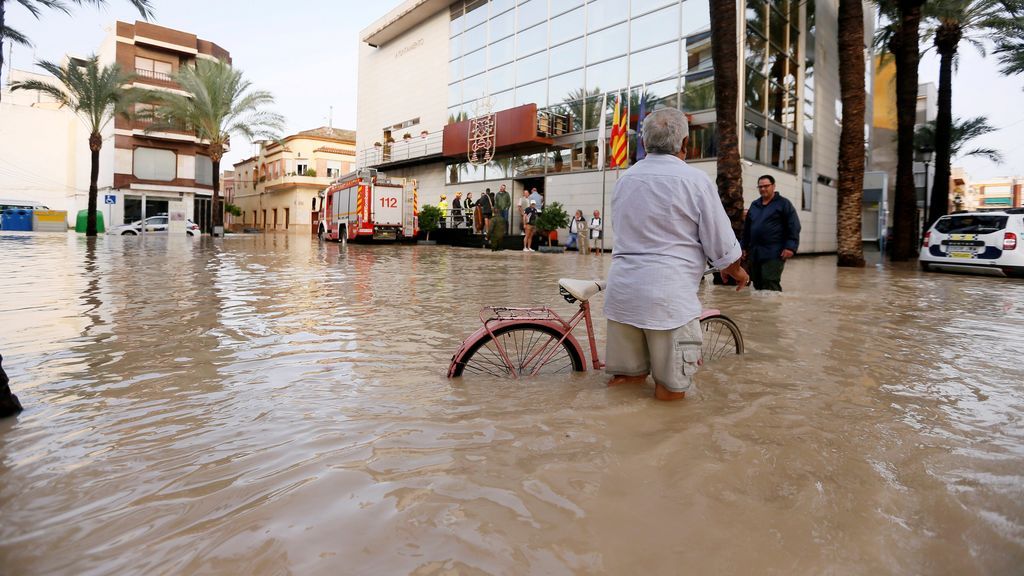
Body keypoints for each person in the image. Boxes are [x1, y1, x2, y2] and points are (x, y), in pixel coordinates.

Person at [604, 108, 749, 402]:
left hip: (622, 294)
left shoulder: (624, 180)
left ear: (644, 143)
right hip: (668, 302)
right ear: (685, 143)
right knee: (670, 391)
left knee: (627, 381)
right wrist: (736, 270)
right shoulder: (695, 181)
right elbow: (722, 243)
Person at [741, 175, 801, 291]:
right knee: (757, 283)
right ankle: (760, 308)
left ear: (773, 186)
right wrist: (743, 247)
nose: (763, 189)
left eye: (766, 186)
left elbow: (794, 226)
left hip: (774, 252)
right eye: (760, 186)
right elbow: (747, 229)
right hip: (755, 252)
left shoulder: (783, 204)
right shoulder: (754, 205)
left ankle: (773, 308)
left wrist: (790, 247)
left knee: (770, 281)